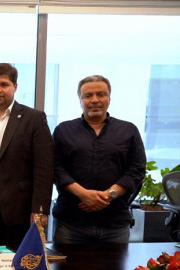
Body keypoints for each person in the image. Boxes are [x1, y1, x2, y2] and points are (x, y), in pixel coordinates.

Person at [0, 63, 54, 246]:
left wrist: (40, 209)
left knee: (15, 261)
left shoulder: (34, 119)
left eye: (4, 84)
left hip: (19, 211)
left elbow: (44, 168)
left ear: (15, 87)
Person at [52, 75, 146, 243]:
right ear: (80, 100)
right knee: (66, 262)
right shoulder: (63, 130)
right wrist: (83, 194)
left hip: (115, 223)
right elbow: (56, 168)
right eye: (88, 95)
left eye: (101, 94)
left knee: (115, 263)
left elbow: (137, 170)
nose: (94, 100)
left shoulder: (128, 130)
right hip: (71, 223)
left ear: (109, 98)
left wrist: (109, 195)